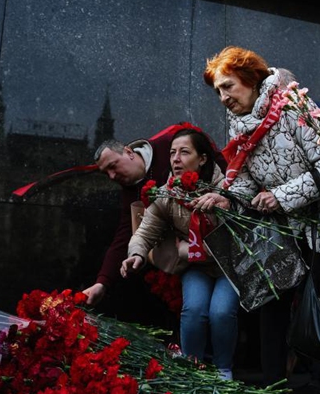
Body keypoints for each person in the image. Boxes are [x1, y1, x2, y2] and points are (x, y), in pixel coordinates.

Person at [196, 47, 320, 394]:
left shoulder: (295, 108)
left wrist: (280, 196)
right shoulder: (240, 122)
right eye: (218, 92)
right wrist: (227, 197)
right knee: (271, 303)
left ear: (250, 78)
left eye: (228, 86)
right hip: (287, 225)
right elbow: (245, 177)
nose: (224, 97)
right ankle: (273, 388)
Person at [119, 128, 239, 380]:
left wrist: (196, 247)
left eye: (184, 152)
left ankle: (223, 370)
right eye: (172, 152)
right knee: (194, 310)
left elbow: (243, 230)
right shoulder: (168, 194)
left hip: (229, 266)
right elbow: (145, 231)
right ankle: (191, 371)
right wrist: (136, 255)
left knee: (220, 312)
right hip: (197, 268)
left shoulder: (227, 188)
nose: (175, 159)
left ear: (203, 158)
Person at [83, 125, 226, 305]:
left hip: (221, 249)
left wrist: (228, 192)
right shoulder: (130, 192)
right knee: (194, 313)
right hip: (188, 262)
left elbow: (214, 159)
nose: (112, 176)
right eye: (106, 173)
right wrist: (102, 282)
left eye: (113, 166)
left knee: (222, 312)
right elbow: (127, 234)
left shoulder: (168, 144)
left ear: (129, 152)